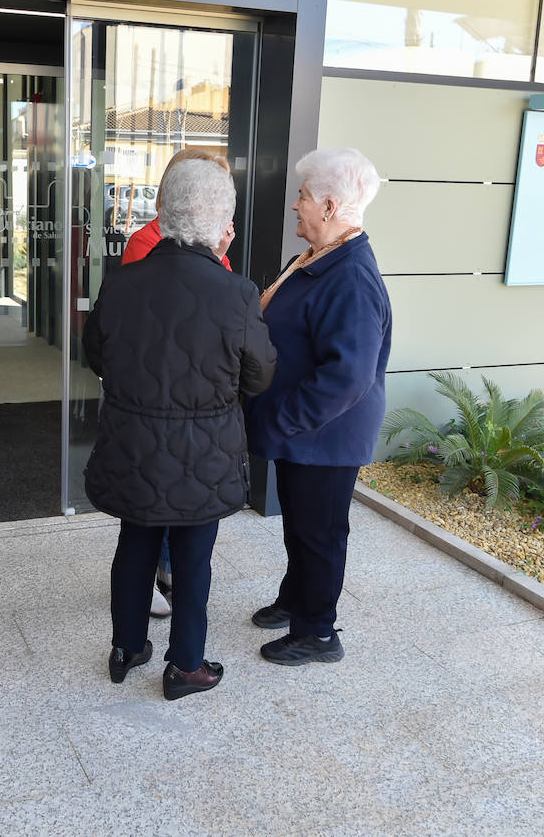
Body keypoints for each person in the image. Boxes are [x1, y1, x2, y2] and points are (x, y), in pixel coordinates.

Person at [84, 159, 276, 700]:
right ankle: (186, 665)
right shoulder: (236, 292)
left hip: (132, 441)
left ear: (162, 212)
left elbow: (95, 353)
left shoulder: (120, 282)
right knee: (193, 556)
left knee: (135, 542)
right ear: (223, 222)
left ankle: (127, 648)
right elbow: (259, 375)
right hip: (204, 451)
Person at [243, 147, 392, 666]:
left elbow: (347, 377)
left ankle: (318, 632)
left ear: (329, 206)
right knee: (301, 525)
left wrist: (280, 420)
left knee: (320, 532)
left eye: (302, 196)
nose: (295, 205)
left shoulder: (349, 277)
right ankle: (295, 597)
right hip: (305, 431)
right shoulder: (315, 258)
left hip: (325, 434)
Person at [120, 148, 237, 620]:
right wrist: (216, 257)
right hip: (156, 392)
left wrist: (218, 255)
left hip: (189, 395)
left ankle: (166, 572)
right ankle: (151, 578)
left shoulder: (207, 245)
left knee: (179, 490)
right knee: (153, 493)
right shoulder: (146, 242)